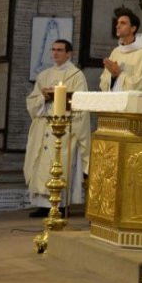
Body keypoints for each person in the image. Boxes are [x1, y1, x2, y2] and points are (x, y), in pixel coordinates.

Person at [24, 39, 90, 217]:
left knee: (58, 163)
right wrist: (44, 97)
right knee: (41, 164)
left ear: (69, 53)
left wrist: (59, 99)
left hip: (63, 129)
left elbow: (80, 103)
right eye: (53, 50)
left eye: (60, 50)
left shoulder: (76, 76)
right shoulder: (44, 75)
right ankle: (42, 205)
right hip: (44, 126)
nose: (55, 53)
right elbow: (32, 101)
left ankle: (58, 205)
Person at [99, 8, 142, 92]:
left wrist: (119, 73)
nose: (117, 26)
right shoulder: (116, 52)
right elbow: (103, 82)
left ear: (133, 28)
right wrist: (113, 76)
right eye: (117, 23)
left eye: (123, 23)